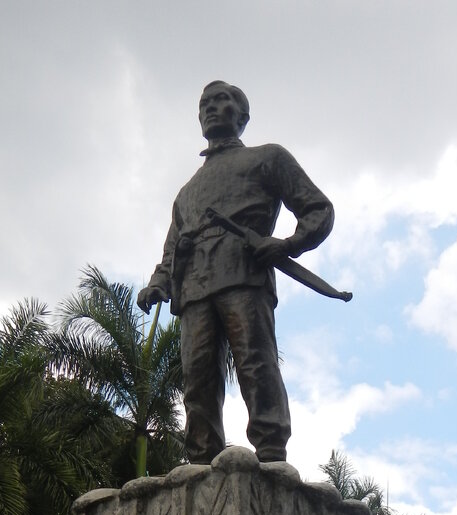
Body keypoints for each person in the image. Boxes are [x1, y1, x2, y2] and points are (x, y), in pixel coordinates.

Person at [137, 80, 335, 465]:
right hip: (194, 288)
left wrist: (286, 244)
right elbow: (172, 245)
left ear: (243, 117)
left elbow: (318, 210)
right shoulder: (187, 191)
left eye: (222, 100)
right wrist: (159, 282)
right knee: (197, 380)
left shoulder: (267, 158)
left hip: (244, 275)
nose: (211, 108)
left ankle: (272, 450)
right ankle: (200, 459)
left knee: (255, 364)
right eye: (204, 104)